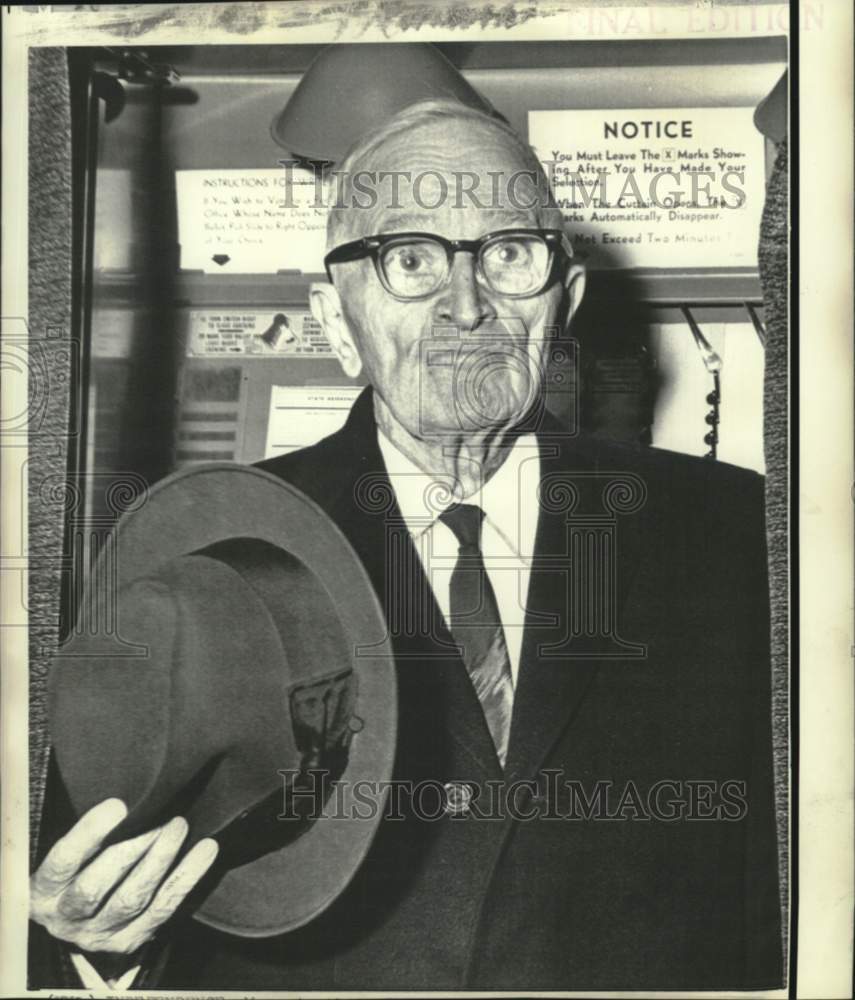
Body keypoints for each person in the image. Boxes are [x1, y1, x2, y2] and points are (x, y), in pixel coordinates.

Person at [30, 99, 783, 991]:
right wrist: (97, 945)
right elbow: (92, 873)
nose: (466, 306)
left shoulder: (739, 534)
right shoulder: (211, 547)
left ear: (564, 300)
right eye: (411, 260)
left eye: (508, 254)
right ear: (335, 318)